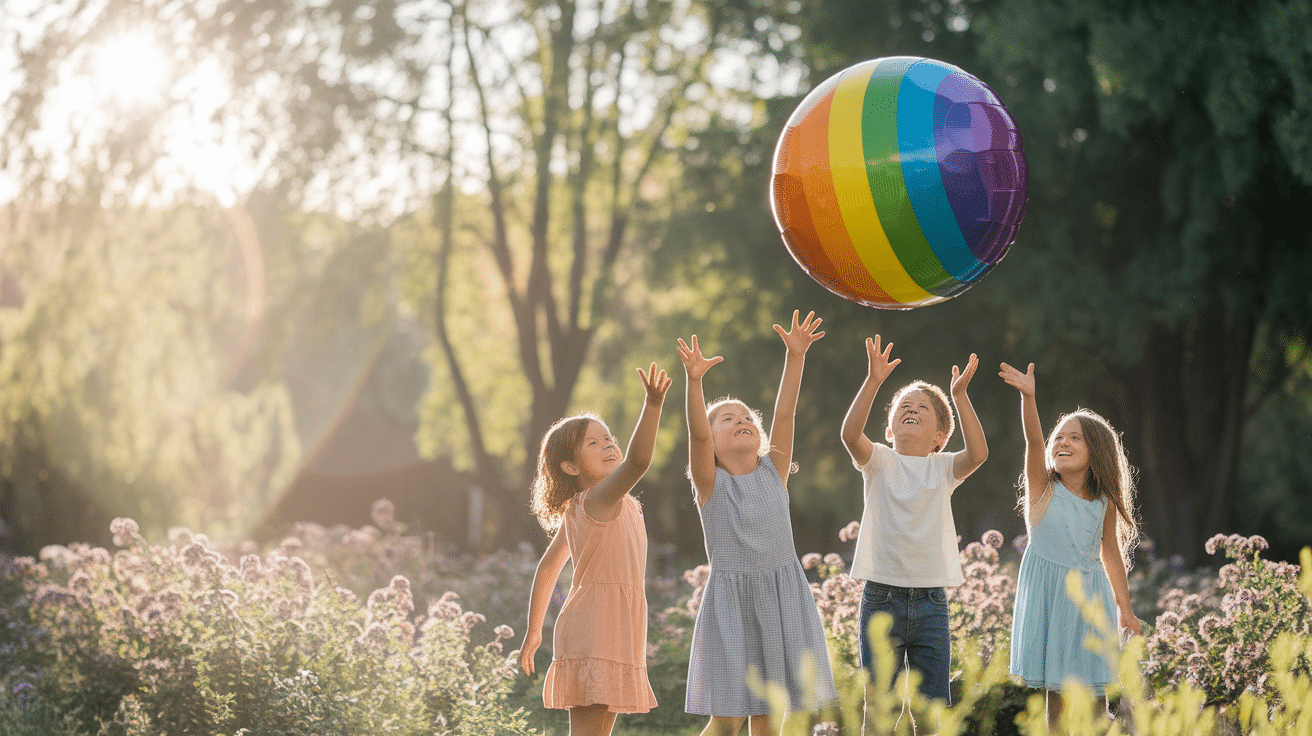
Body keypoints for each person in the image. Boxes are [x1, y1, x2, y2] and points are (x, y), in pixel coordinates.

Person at [678, 311, 838, 736]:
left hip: (782, 597)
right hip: (732, 603)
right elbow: (696, 434)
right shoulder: (710, 484)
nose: (742, 420)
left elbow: (784, 415)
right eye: (728, 419)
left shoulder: (773, 472)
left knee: (771, 711)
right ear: (712, 443)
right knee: (728, 719)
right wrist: (694, 381)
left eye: (747, 416)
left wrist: (795, 356)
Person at [518, 363, 672, 736]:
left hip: (617, 626)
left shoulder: (594, 506)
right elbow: (639, 462)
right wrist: (653, 406)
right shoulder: (597, 500)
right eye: (593, 443)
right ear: (570, 467)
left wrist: (535, 631)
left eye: (608, 438)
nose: (608, 445)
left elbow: (548, 567)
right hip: (595, 627)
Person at [839, 335, 988, 706]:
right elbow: (850, 434)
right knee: (880, 708)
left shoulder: (943, 468)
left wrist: (960, 397)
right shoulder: (879, 461)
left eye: (923, 407)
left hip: (931, 601)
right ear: (889, 431)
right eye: (904, 405)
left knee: (933, 709)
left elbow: (978, 454)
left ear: (939, 437)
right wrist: (873, 380)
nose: (913, 408)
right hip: (881, 597)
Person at [999, 361, 1141, 732]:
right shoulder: (1043, 489)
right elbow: (1034, 441)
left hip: (1091, 602)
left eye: (1074, 437)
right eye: (1059, 437)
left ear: (1097, 452)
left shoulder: (1104, 502)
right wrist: (1028, 398)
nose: (1062, 442)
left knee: (1094, 699)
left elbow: (1111, 554)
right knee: (1058, 699)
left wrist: (1125, 610)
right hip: (1052, 602)